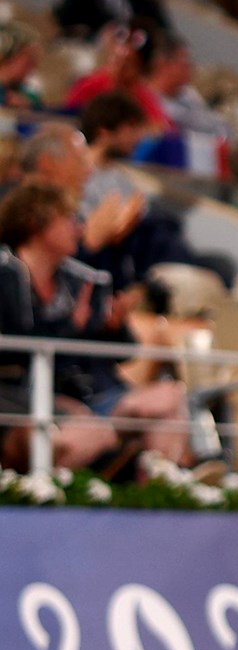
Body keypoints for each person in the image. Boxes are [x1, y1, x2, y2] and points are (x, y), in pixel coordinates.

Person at [0, 181, 190, 468]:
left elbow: (125, 353)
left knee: (170, 398)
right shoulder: (5, 277)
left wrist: (115, 327)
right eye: (68, 219)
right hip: (37, 399)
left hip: (96, 394)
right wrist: (71, 326)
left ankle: (156, 491)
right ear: (35, 223)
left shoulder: (81, 279)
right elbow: (17, 352)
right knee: (79, 433)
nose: (78, 228)